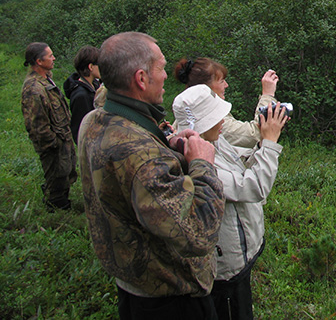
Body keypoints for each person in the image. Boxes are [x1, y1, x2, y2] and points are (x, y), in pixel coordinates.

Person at [78, 32, 225, 320]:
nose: (166, 75)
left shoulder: (94, 121)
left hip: (133, 282)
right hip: (171, 297)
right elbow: (199, 233)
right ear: (141, 79)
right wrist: (202, 164)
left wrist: (164, 142)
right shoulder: (142, 155)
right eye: (160, 68)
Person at [172, 84, 288, 320]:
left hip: (236, 257)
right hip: (225, 269)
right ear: (202, 125)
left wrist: (259, 146)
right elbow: (253, 186)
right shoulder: (197, 164)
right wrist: (270, 143)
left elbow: (237, 163)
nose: (223, 121)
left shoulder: (211, 141)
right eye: (217, 117)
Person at [21, 42, 77, 212]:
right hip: (53, 145)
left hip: (61, 138)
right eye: (50, 55)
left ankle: (60, 202)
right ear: (39, 61)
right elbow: (37, 124)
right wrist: (53, 144)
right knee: (56, 177)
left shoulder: (46, 78)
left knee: (65, 175)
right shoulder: (33, 88)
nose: (53, 58)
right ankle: (56, 210)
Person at [174, 57, 279, 147]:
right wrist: (267, 95)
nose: (226, 85)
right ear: (205, 89)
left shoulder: (188, 114)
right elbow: (254, 134)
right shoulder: (211, 122)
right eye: (221, 81)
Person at [63, 45, 101, 144]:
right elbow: (79, 130)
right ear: (91, 67)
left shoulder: (94, 85)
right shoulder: (81, 96)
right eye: (99, 64)